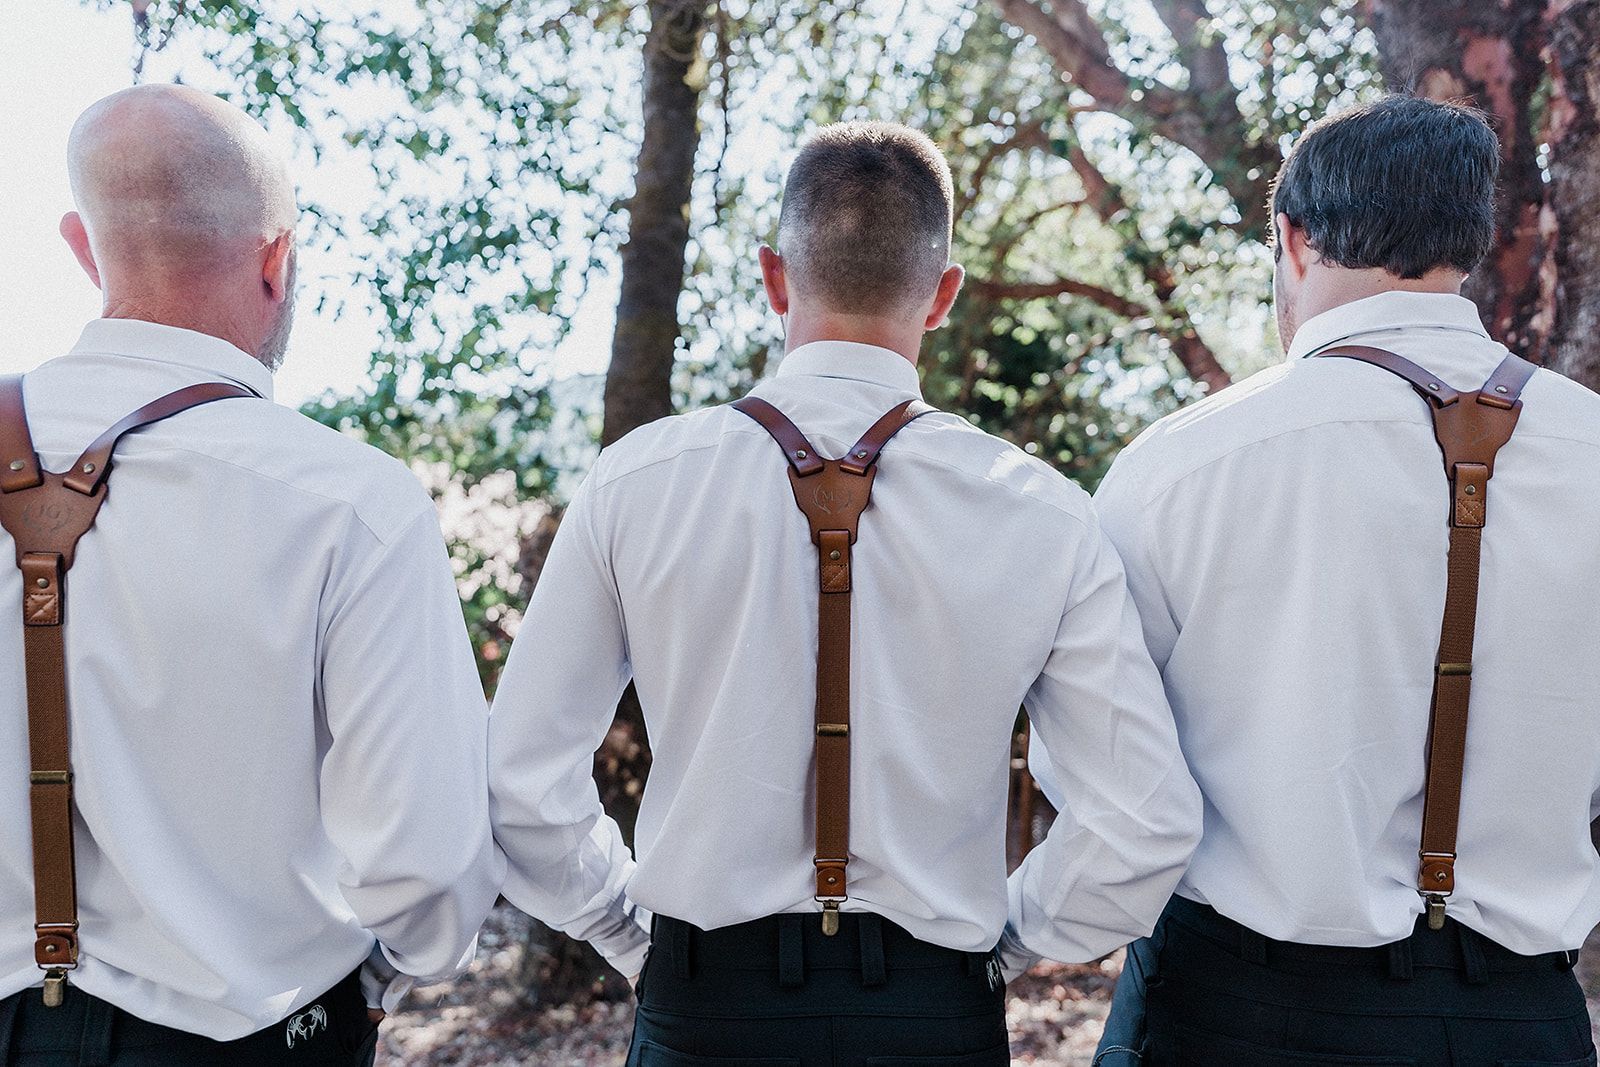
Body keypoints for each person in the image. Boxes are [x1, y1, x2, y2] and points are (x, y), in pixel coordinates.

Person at [489, 120, 1202, 1065]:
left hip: (705, 1013)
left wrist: (627, 934)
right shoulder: (1039, 510)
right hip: (931, 1017)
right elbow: (1143, 820)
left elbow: (520, 783)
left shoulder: (637, 482)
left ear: (775, 277)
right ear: (942, 295)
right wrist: (1004, 944)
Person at [1058, 95, 1600, 1067]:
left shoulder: (1181, 464)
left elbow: (1103, 784)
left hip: (1236, 1016)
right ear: (1468, 241)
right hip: (1521, 1022)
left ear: (1292, 238)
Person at [0, 85, 502, 1064]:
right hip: (252, 1037)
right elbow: (428, 868)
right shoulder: (349, 500)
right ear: (279, 258)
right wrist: (385, 972)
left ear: (79, 243)